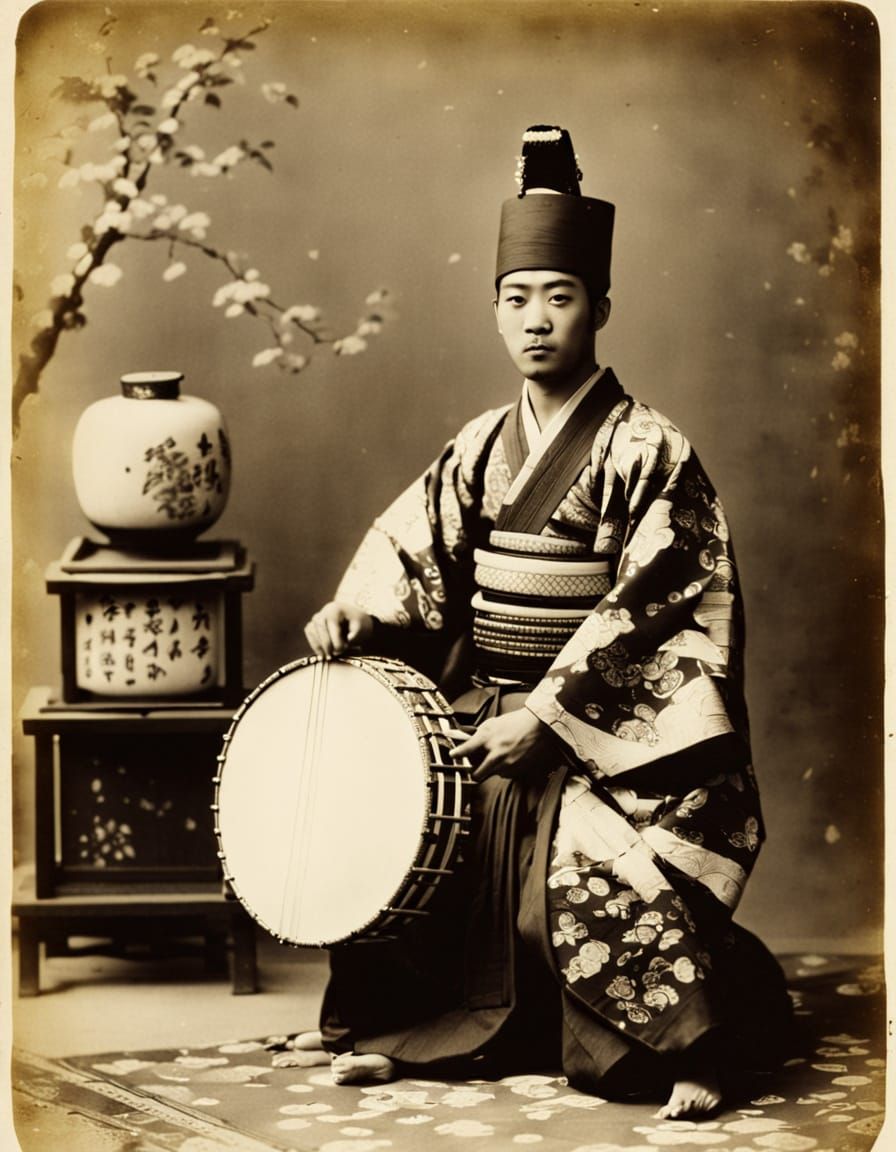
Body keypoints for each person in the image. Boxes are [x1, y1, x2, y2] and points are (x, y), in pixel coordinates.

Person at [293, 125, 792, 1118]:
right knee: (416, 849)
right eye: (515, 300)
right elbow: (416, 560)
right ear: (492, 312)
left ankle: (689, 1049)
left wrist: (552, 717)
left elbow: (660, 604)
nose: (536, 321)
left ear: (598, 308)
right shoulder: (478, 448)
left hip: (595, 732)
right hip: (481, 706)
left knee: (594, 882)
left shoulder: (648, 448)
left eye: (558, 298)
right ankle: (412, 1042)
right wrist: (355, 612)